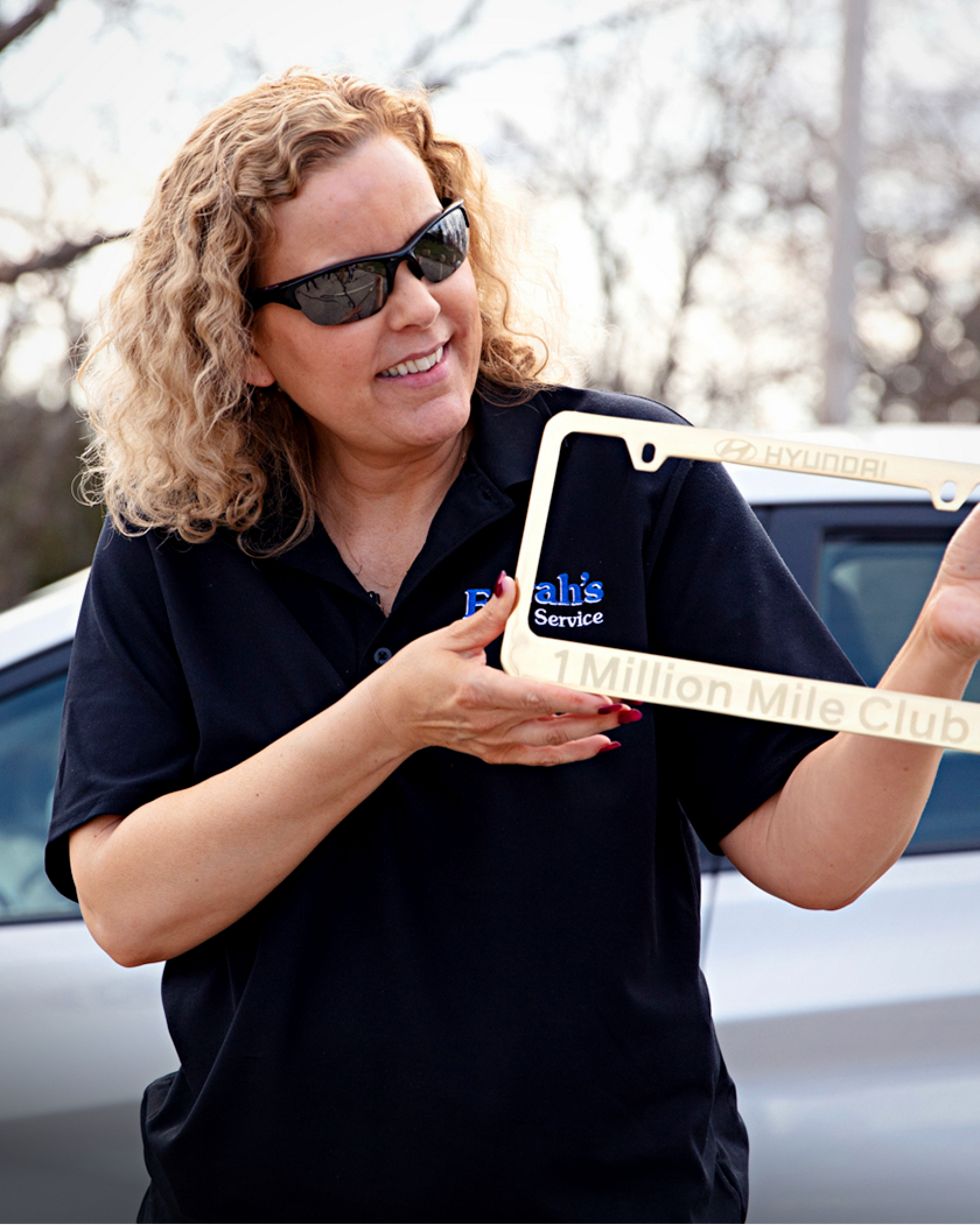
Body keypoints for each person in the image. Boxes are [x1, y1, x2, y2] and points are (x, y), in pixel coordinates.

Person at [47, 70, 979, 1224]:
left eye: (432, 248)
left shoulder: (619, 474)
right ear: (244, 346)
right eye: (344, 286)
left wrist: (939, 645)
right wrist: (392, 717)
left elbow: (816, 852)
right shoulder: (171, 539)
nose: (416, 309)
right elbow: (130, 908)